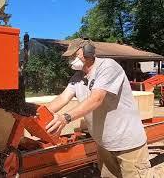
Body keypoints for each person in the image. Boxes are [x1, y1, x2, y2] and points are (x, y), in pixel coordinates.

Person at [45, 38, 153, 178]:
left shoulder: (107, 67)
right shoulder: (78, 77)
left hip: (127, 143)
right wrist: (37, 113)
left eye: (74, 55)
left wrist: (65, 118)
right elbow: (63, 98)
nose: (70, 60)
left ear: (88, 52)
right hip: (104, 144)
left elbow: (96, 99)